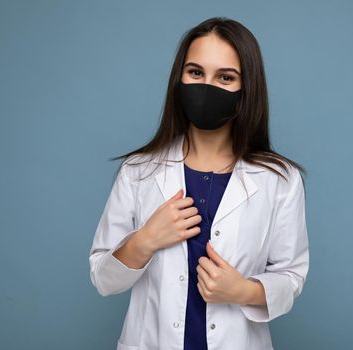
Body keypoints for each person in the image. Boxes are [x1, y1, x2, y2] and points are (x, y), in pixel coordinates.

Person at [89, 16, 309, 350]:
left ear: (246, 88)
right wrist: (145, 240)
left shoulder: (279, 180)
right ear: (179, 78)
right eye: (195, 72)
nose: (207, 87)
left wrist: (243, 291)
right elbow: (103, 279)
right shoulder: (138, 171)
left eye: (225, 77)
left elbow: (291, 275)